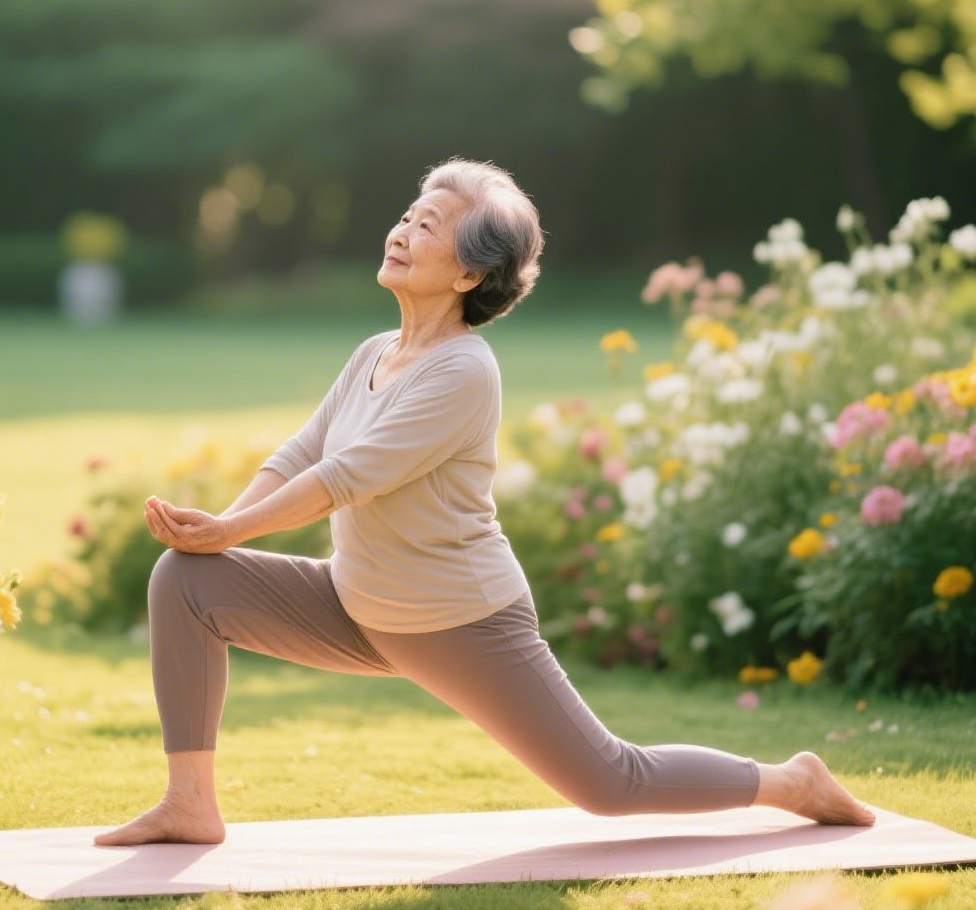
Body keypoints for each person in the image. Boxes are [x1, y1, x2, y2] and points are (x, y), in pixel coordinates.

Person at [95, 157, 875, 847]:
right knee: (188, 582)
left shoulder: (465, 372)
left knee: (611, 784)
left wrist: (229, 528)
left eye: (427, 225)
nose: (401, 231)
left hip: (461, 620)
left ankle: (790, 782)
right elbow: (302, 454)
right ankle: (189, 804)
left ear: (470, 275)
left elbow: (351, 475)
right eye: (407, 215)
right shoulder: (375, 352)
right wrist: (218, 538)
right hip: (360, 603)